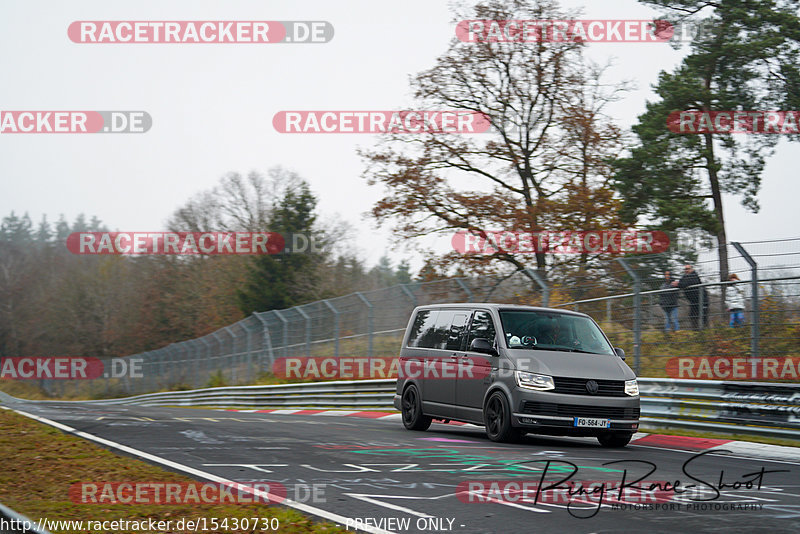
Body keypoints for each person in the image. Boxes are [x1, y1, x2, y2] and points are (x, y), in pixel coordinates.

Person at [673, 264, 707, 329]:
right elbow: (681, 282)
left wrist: (678, 284)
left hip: (702, 300)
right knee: (693, 317)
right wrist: (677, 284)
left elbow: (688, 283)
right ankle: (695, 332)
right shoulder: (684, 276)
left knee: (703, 317)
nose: (686, 270)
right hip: (693, 301)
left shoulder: (694, 276)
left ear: (692, 269)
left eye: (688, 269)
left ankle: (705, 332)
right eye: (685, 269)